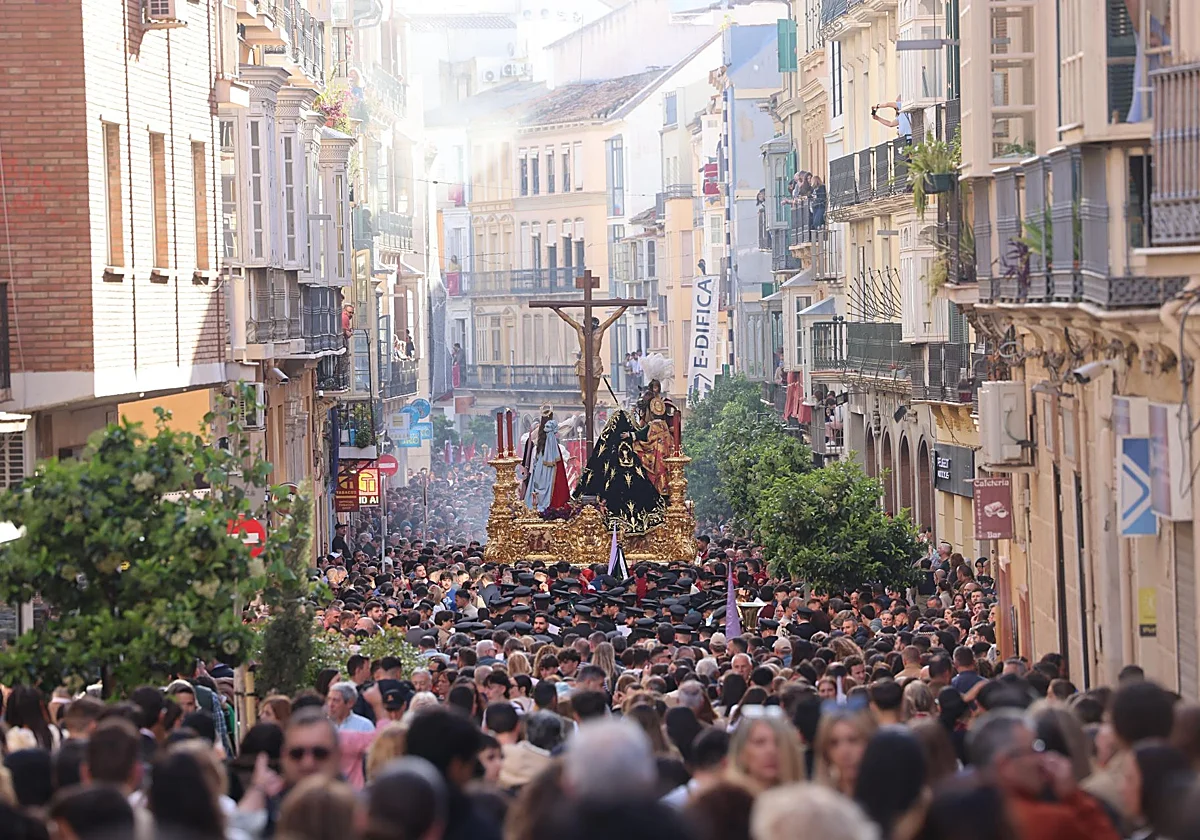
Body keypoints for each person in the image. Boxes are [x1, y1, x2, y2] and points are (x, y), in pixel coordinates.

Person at [522, 408, 570, 513]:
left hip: (538, 475)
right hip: (550, 475)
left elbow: (531, 467)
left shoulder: (537, 448)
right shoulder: (555, 450)